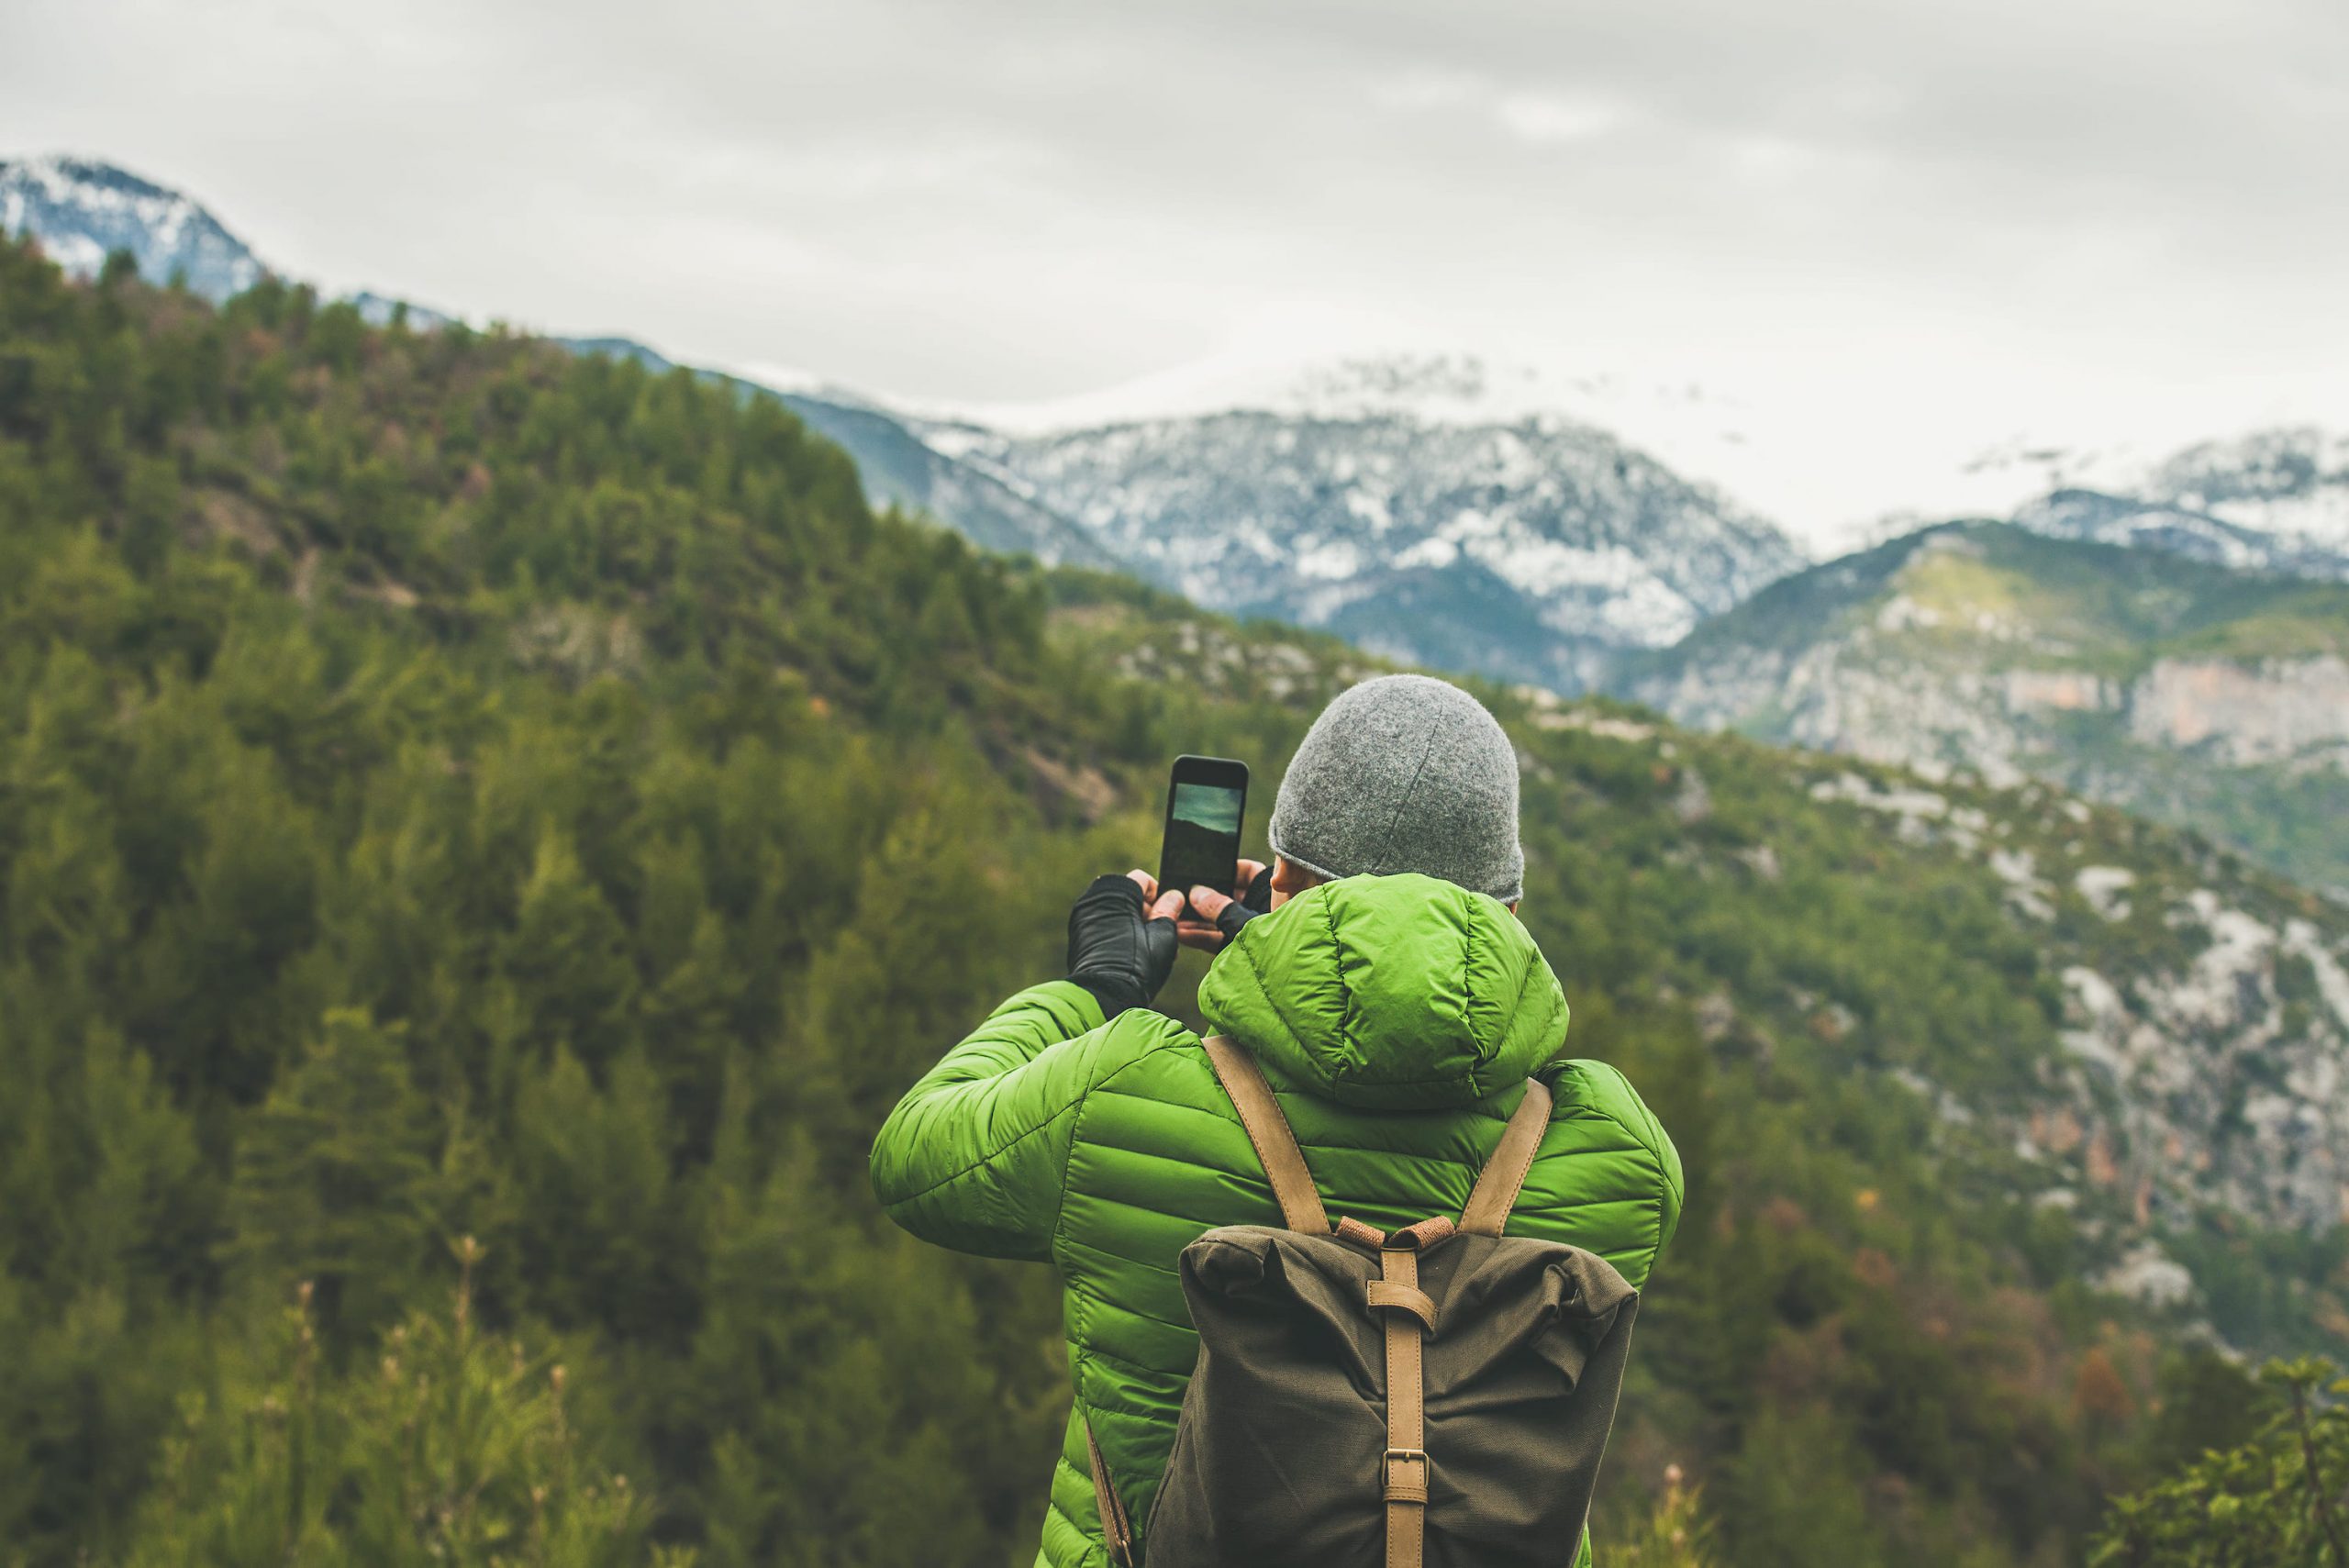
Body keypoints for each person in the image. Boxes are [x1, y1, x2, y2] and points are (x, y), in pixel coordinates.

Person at [870, 673, 1682, 1568]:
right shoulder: (1617, 1147)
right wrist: (1323, 944)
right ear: (1511, 911)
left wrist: (1095, 987)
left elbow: (915, 1154)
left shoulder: (1120, 1091)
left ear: (1284, 877)